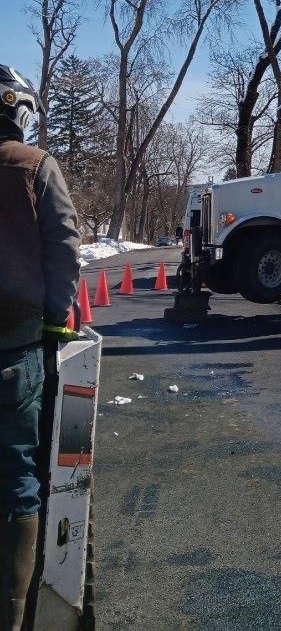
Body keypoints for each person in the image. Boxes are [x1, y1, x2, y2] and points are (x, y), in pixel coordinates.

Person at [0, 64, 80, 631]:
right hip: (15, 349)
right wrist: (56, 319)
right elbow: (64, 247)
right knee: (18, 477)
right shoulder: (35, 166)